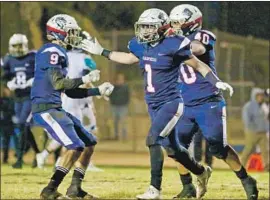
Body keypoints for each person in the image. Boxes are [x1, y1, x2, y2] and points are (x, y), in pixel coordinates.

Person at [82, 8, 234, 199]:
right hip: (152, 103)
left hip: (171, 102)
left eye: (149, 27)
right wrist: (102, 52)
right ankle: (201, 172)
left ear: (161, 27)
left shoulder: (174, 44)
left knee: (152, 139)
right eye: (143, 26)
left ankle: (155, 189)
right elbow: (128, 58)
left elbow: (199, 64)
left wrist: (215, 81)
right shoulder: (140, 45)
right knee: (173, 149)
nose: (144, 30)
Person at [168, 4, 258, 200]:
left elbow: (198, 49)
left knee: (218, 147)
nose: (174, 27)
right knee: (175, 147)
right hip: (185, 103)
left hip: (208, 100)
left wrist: (172, 44)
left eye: (178, 23)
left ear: (191, 24)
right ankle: (188, 187)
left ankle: (246, 179)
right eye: (172, 23)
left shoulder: (201, 36)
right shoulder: (172, 41)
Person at [31, 14, 114, 199]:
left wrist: (97, 91)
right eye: (71, 33)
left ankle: (75, 188)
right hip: (45, 109)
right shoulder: (52, 51)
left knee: (89, 142)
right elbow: (59, 84)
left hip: (55, 107)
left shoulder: (61, 53)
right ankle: (50, 189)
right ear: (58, 32)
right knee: (75, 145)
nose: (74, 37)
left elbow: (70, 92)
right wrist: (85, 79)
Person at [36, 39, 102, 172]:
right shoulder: (84, 58)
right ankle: (58, 160)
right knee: (74, 134)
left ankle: (50, 158)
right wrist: (97, 92)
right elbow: (85, 79)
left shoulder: (63, 55)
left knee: (77, 133)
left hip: (67, 96)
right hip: (75, 100)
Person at [2, 33, 40, 168]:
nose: (18, 49)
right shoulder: (8, 59)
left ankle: (19, 159)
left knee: (22, 124)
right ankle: (37, 153)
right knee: (23, 127)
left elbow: (42, 73)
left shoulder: (33, 56)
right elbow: (4, 76)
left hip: (30, 95)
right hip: (17, 97)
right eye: (15, 46)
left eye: (20, 45)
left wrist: (35, 80)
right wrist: (8, 83)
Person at [241, 88, 269, 171]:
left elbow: (266, 118)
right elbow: (246, 120)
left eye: (261, 95)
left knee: (266, 150)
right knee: (248, 150)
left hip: (263, 132)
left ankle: (267, 167)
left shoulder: (264, 106)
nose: (261, 97)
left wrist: (266, 128)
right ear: (254, 96)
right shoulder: (248, 106)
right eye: (259, 95)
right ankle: (241, 166)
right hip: (252, 132)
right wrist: (253, 128)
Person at [109, 73, 130, 140]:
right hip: (114, 106)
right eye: (119, 79)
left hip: (123, 107)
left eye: (121, 79)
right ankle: (116, 135)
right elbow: (110, 96)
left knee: (123, 121)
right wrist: (112, 103)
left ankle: (124, 136)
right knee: (115, 122)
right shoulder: (113, 87)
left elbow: (128, 96)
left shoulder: (125, 87)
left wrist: (126, 103)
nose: (120, 80)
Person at [0, 84, 15, 164]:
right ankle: (4, 159)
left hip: (9, 124)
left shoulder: (11, 100)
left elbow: (13, 111)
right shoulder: (1, 100)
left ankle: (5, 159)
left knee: (7, 141)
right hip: (2, 124)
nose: (8, 91)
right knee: (4, 141)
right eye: (7, 90)